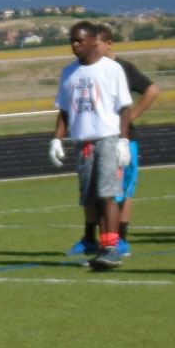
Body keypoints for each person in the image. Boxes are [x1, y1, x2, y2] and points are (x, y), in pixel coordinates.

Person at [64, 24, 159, 257]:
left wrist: (132, 117)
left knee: (119, 191)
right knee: (92, 193)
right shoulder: (81, 69)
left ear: (108, 44)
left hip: (119, 138)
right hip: (92, 140)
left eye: (96, 45)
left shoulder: (121, 68)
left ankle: (119, 240)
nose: (92, 49)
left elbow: (151, 90)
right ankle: (92, 238)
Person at [49, 20, 133, 270]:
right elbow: (64, 110)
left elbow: (124, 107)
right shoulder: (69, 72)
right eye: (72, 41)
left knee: (107, 194)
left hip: (107, 138)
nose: (75, 45)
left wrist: (123, 139)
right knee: (92, 198)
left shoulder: (111, 69)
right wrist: (56, 139)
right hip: (83, 142)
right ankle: (101, 249)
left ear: (93, 40)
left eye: (80, 40)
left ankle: (112, 248)